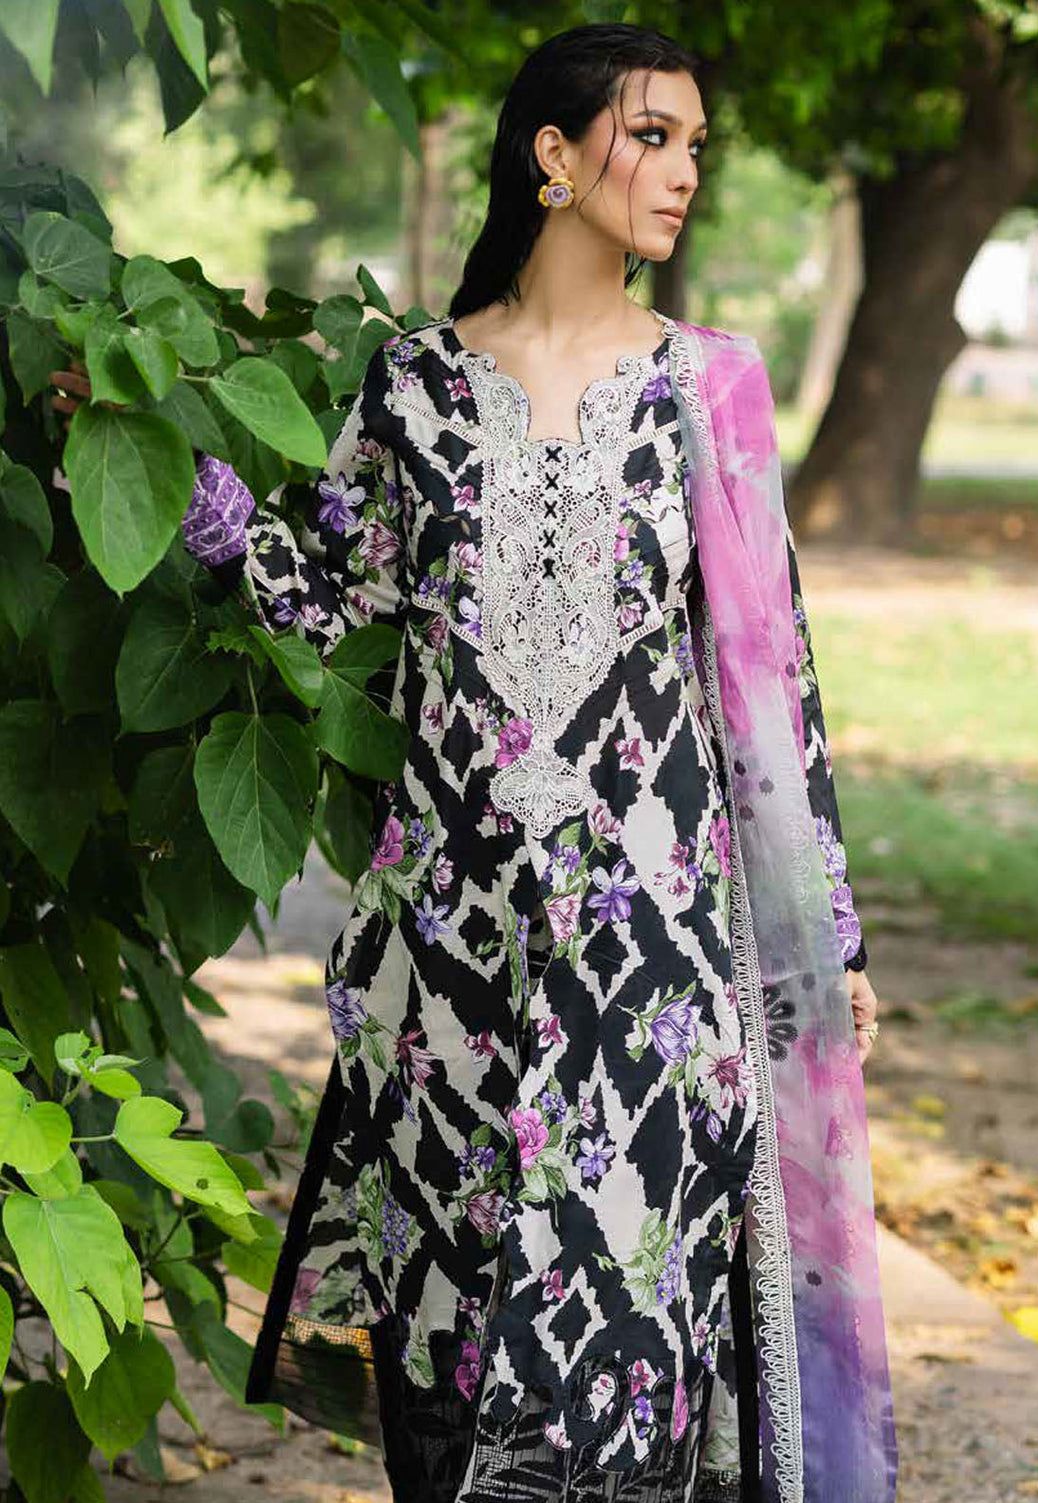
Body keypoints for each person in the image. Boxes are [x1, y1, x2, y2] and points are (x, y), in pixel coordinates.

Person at [50, 23, 897, 1503]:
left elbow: (777, 686)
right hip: (445, 961)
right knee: (448, 1353)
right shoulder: (417, 387)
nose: (683, 172)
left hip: (651, 959)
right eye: (652, 136)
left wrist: (828, 942)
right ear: (552, 155)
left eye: (696, 146)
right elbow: (334, 608)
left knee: (624, 1360)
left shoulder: (709, 388)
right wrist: (172, 473)